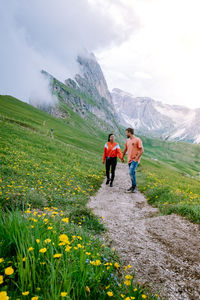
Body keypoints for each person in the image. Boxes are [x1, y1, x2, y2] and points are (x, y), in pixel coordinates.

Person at [122, 128, 144, 193]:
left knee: (131, 172)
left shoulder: (137, 140)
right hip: (129, 160)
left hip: (135, 160)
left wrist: (136, 158)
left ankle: (134, 187)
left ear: (129, 132)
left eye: (126, 132)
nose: (126, 134)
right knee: (132, 173)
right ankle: (132, 186)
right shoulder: (127, 141)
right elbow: (125, 149)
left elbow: (141, 150)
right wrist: (122, 157)